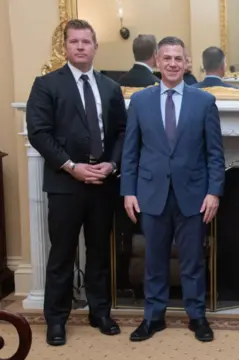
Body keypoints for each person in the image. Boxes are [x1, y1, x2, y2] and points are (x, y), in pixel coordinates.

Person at [25, 19, 127, 346]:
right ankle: (57, 319)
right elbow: (39, 133)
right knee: (62, 255)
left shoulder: (110, 87)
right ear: (65, 47)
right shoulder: (46, 84)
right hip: (66, 184)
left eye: (86, 41)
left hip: (102, 184)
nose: (81, 46)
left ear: (95, 47)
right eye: (74, 42)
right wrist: (71, 167)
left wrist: (111, 164)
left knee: (99, 252)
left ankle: (100, 312)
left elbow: (122, 132)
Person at [120, 36, 225, 343]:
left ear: (187, 61)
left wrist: (214, 192)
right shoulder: (140, 101)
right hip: (151, 194)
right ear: (157, 61)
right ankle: (153, 317)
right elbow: (131, 152)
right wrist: (128, 191)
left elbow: (215, 154)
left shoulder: (204, 101)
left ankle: (197, 317)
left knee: (192, 261)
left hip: (194, 195)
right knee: (154, 260)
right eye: (166, 58)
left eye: (178, 58)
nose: (173, 64)